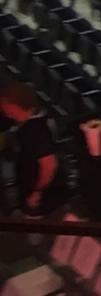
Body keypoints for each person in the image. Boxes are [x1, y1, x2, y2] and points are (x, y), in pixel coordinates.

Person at [3, 83, 63, 216]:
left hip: (39, 196)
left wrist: (37, 192)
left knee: (36, 226)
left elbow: (49, 165)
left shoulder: (32, 132)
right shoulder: (41, 115)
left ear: (15, 105)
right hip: (39, 187)